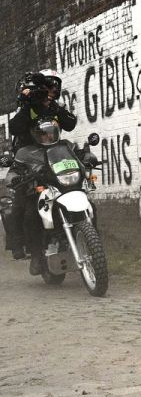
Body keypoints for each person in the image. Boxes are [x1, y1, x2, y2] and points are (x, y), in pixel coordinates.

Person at [7, 70, 76, 274]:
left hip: (56, 156)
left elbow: (70, 124)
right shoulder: (29, 109)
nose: (52, 89)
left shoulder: (55, 106)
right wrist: (29, 104)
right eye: (48, 86)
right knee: (29, 211)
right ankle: (35, 254)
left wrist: (53, 106)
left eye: (55, 85)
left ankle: (88, 238)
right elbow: (15, 127)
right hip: (32, 161)